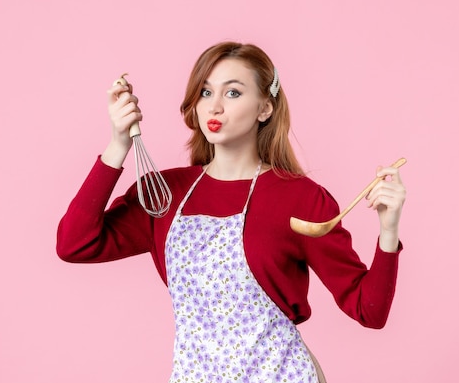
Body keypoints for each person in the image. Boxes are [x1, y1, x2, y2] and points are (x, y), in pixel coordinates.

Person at [57, 41, 406, 383]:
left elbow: (369, 311)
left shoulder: (301, 199)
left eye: (233, 93)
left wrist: (388, 231)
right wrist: (118, 144)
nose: (215, 107)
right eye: (206, 93)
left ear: (265, 109)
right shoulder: (164, 196)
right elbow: (74, 244)